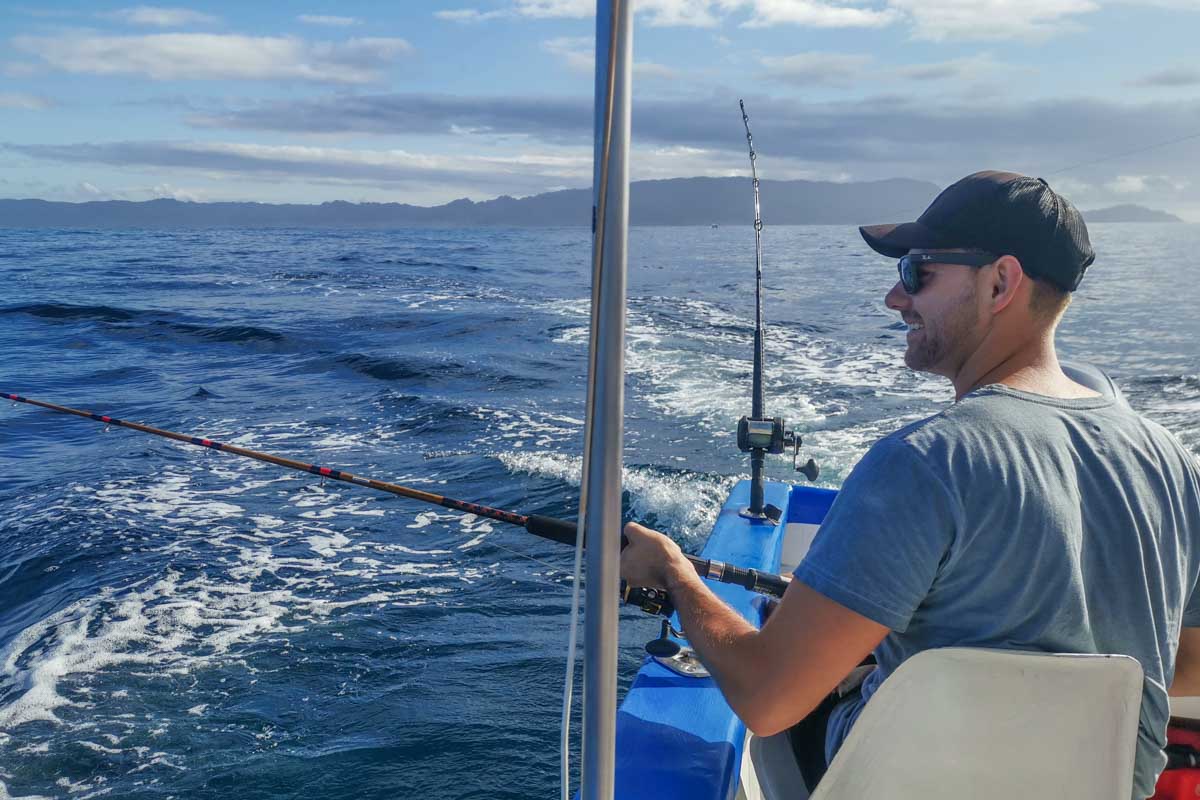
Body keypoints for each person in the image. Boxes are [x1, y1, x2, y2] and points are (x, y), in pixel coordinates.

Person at [619, 170, 1200, 799]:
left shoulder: (924, 462)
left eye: (917, 272)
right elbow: (1189, 666)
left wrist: (677, 577)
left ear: (1000, 282)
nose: (895, 300)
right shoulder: (1173, 461)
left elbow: (766, 697)